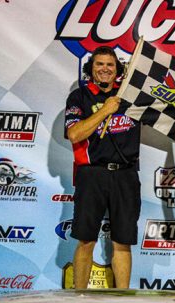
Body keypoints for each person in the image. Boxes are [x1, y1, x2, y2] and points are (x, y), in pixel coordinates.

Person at [64, 46, 140, 290]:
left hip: (126, 174)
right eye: (100, 64)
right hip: (92, 174)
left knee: (122, 242)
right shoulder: (79, 96)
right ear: (91, 69)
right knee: (86, 240)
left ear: (117, 69)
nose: (105, 69)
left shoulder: (129, 95)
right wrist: (105, 110)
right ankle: (79, 298)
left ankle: (122, 300)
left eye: (110, 64)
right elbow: (74, 133)